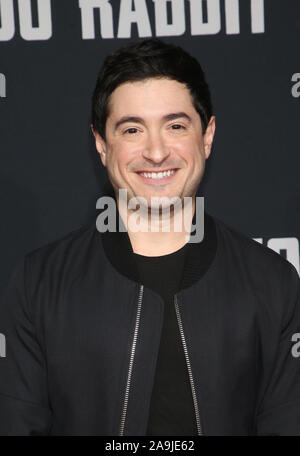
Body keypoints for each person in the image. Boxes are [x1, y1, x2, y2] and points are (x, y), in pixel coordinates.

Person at [0, 38, 300, 436]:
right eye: (132, 129)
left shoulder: (273, 282)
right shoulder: (39, 283)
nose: (156, 152)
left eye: (175, 126)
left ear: (207, 136)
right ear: (101, 145)